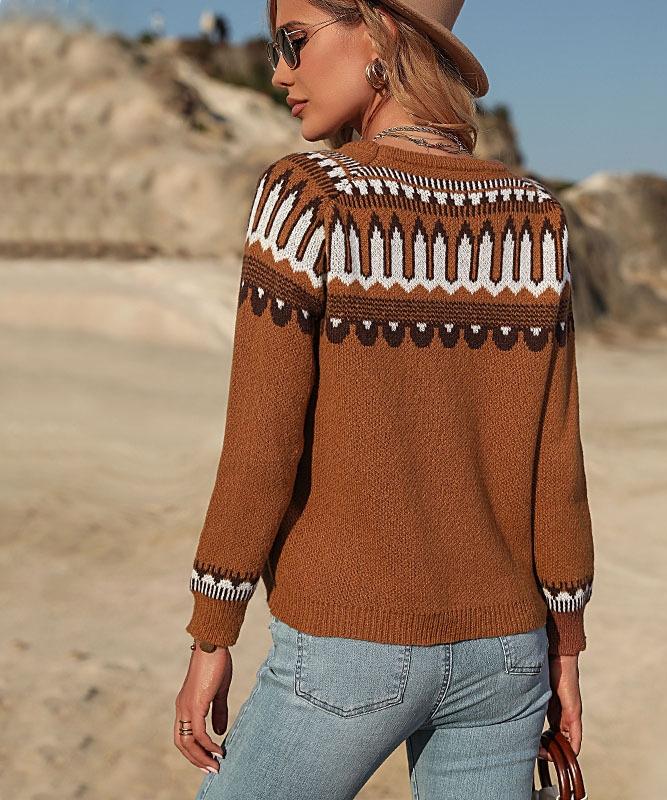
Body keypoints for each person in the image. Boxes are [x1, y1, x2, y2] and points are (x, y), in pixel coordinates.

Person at [174, 1, 595, 798]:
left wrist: (212, 630)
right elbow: (557, 462)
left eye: (295, 40)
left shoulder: (310, 196)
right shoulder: (535, 217)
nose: (280, 71)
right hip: (508, 658)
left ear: (379, 30)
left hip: (346, 647)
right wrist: (566, 646)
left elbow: (261, 446)